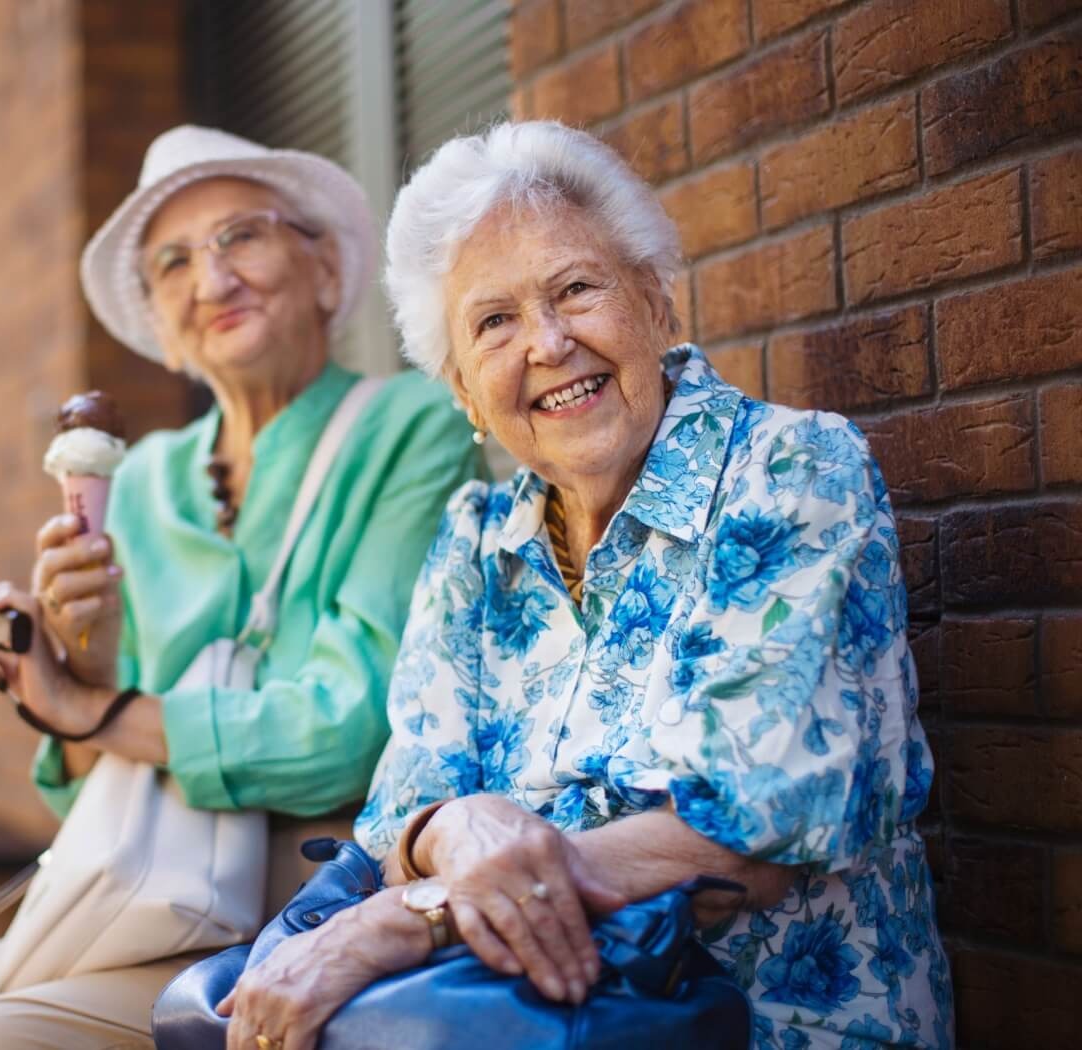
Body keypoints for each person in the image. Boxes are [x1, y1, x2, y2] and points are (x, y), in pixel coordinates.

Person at [220, 121, 951, 1050]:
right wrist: (457, 827)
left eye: (575, 289)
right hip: (510, 1022)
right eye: (495, 323)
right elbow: (399, 814)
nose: (551, 342)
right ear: (464, 392)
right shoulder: (476, 541)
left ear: (654, 303)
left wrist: (411, 917)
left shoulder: (793, 472)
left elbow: (746, 838)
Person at [0, 126, 483, 1050]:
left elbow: (346, 729)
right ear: (161, 328)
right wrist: (74, 649)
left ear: (326, 270)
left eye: (242, 235)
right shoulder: (144, 480)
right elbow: (94, 791)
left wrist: (87, 707)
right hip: (149, 898)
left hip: (309, 906)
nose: (213, 280)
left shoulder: (412, 426)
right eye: (173, 263)